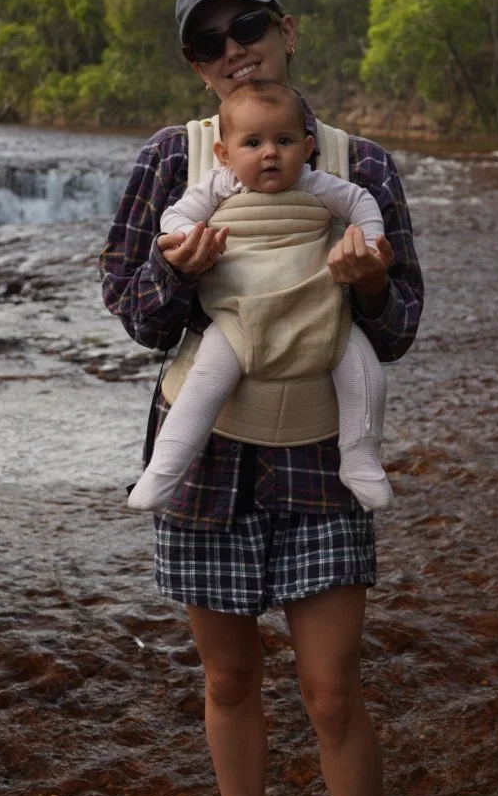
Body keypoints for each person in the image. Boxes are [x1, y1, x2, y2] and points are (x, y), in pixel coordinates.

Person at [100, 0, 424, 796]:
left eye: (246, 27)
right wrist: (178, 275)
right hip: (208, 463)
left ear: (287, 29)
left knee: (330, 689)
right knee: (230, 681)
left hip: (321, 457)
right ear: (195, 65)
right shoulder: (172, 161)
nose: (233, 50)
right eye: (211, 42)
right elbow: (132, 312)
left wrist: (369, 287)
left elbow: (399, 330)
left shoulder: (361, 168)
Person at [127, 77, 392, 514]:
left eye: (284, 141)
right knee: (204, 386)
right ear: (225, 154)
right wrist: (184, 243)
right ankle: (163, 470)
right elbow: (175, 216)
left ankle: (361, 459)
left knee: (365, 376)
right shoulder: (218, 186)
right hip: (238, 318)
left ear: (307, 148)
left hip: (319, 311)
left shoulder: (318, 184)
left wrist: (370, 247)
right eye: (253, 143)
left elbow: (362, 203)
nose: (270, 152)